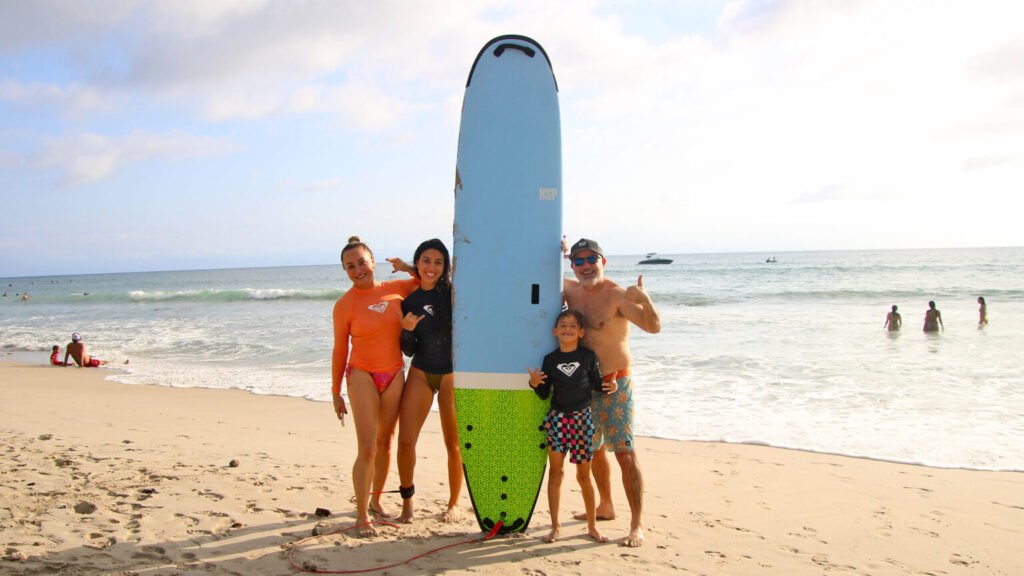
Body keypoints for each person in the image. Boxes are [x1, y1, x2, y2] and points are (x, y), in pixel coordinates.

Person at [563, 238, 661, 547]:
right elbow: (534, 269)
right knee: (592, 452)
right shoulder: (570, 290)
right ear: (572, 266)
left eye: (591, 258)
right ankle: (605, 505)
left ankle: (637, 524)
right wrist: (555, 246)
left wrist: (646, 300)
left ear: (603, 261)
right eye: (578, 261)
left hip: (616, 384)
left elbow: (654, 327)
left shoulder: (619, 295)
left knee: (624, 452)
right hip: (584, 384)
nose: (586, 265)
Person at [331, 236, 419, 536]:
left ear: (373, 261)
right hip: (362, 376)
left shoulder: (395, 290)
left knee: (386, 442)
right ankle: (361, 515)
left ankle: (377, 502)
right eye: (350, 266)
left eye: (361, 263)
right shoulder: (344, 305)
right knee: (367, 447)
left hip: (394, 373)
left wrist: (406, 266)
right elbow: (340, 350)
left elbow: (427, 279)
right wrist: (335, 392)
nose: (357, 270)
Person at [529, 309, 616, 544]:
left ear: (581, 332)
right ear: (554, 331)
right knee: (556, 473)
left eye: (572, 326)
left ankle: (591, 526)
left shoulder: (588, 357)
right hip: (557, 419)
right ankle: (555, 526)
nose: (567, 329)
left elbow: (598, 385)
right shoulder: (550, 359)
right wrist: (534, 383)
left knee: (583, 476)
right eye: (563, 325)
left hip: (582, 420)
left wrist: (612, 385)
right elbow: (544, 393)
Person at [395, 239, 463, 524]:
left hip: (450, 373)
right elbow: (408, 350)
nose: (431, 266)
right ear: (418, 262)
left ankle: (454, 504)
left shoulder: (452, 293)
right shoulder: (409, 301)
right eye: (426, 260)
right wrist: (407, 331)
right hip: (421, 371)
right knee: (406, 440)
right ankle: (407, 503)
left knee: (454, 444)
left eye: (438, 261)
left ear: (445, 266)